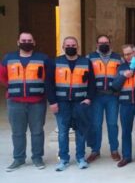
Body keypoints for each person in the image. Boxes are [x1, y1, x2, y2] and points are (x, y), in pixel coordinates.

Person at [45, 36, 95, 171]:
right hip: (62, 103)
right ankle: (64, 159)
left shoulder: (86, 62)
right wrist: (52, 102)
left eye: (73, 45)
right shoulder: (55, 62)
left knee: (80, 132)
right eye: (68, 45)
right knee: (62, 132)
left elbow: (92, 82)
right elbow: (48, 83)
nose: (71, 47)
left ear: (77, 47)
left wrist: (89, 98)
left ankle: (80, 158)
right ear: (63, 47)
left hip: (80, 103)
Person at [0, 32, 49, 172]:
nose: (26, 42)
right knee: (17, 132)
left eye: (29, 40)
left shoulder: (43, 59)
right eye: (23, 40)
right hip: (15, 101)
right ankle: (19, 158)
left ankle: (37, 158)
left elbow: (48, 78)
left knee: (37, 131)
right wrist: (13, 88)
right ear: (18, 42)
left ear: (34, 42)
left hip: (37, 101)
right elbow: (3, 76)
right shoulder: (8, 58)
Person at [86, 35, 122, 163]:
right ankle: (95, 150)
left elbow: (123, 76)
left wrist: (119, 91)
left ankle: (114, 150)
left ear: (110, 44)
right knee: (96, 124)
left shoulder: (118, 58)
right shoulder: (89, 58)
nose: (103, 44)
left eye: (106, 42)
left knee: (112, 124)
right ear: (96, 44)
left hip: (112, 96)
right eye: (101, 43)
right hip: (96, 96)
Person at [112, 44, 135, 167]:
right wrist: (123, 76)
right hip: (125, 104)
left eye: (129, 54)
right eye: (125, 54)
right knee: (126, 131)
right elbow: (115, 86)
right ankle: (126, 156)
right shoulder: (120, 67)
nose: (127, 56)